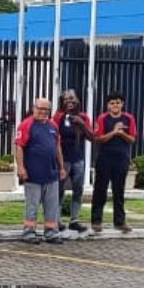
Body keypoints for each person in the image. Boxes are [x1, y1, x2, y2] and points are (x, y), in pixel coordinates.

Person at [14, 97, 66, 243]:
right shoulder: (26, 125)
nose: (43, 112)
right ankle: (29, 232)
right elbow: (19, 146)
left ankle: (51, 232)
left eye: (46, 109)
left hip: (51, 173)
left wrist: (61, 167)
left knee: (52, 205)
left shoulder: (53, 126)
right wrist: (21, 167)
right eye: (40, 109)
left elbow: (57, 147)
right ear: (34, 108)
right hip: (33, 173)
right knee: (32, 205)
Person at [89, 93, 137, 234]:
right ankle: (96, 221)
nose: (115, 105)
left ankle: (120, 222)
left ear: (122, 104)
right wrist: (114, 132)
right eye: (112, 103)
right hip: (104, 158)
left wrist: (122, 134)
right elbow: (98, 138)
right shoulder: (103, 118)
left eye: (117, 103)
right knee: (100, 190)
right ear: (107, 105)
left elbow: (132, 139)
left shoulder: (129, 118)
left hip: (121, 158)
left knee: (119, 190)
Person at [57, 89, 95, 233]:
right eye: (66, 99)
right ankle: (57, 220)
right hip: (63, 160)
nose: (69, 101)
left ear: (77, 100)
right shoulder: (59, 117)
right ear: (62, 102)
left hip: (78, 159)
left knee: (78, 190)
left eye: (72, 98)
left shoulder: (83, 117)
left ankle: (75, 220)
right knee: (59, 190)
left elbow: (93, 137)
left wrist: (82, 124)